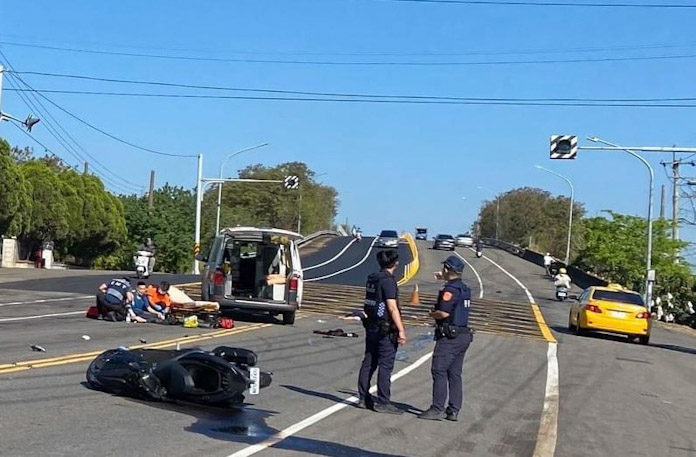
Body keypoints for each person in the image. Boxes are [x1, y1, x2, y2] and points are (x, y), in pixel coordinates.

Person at [419, 256, 473, 421]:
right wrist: (442, 277)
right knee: (454, 373)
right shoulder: (464, 288)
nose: (442, 271)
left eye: (444, 269)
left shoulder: (450, 290)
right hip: (463, 335)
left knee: (439, 370)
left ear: (448, 269)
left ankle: (437, 408)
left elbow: (443, 313)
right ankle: (454, 409)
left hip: (450, 337)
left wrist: (431, 314)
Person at [357, 249, 407, 414]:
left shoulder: (373, 278)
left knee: (369, 362)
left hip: (371, 325)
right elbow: (392, 307)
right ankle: (383, 401)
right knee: (386, 365)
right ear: (395, 263)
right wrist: (401, 330)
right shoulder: (388, 281)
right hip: (385, 329)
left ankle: (363, 398)